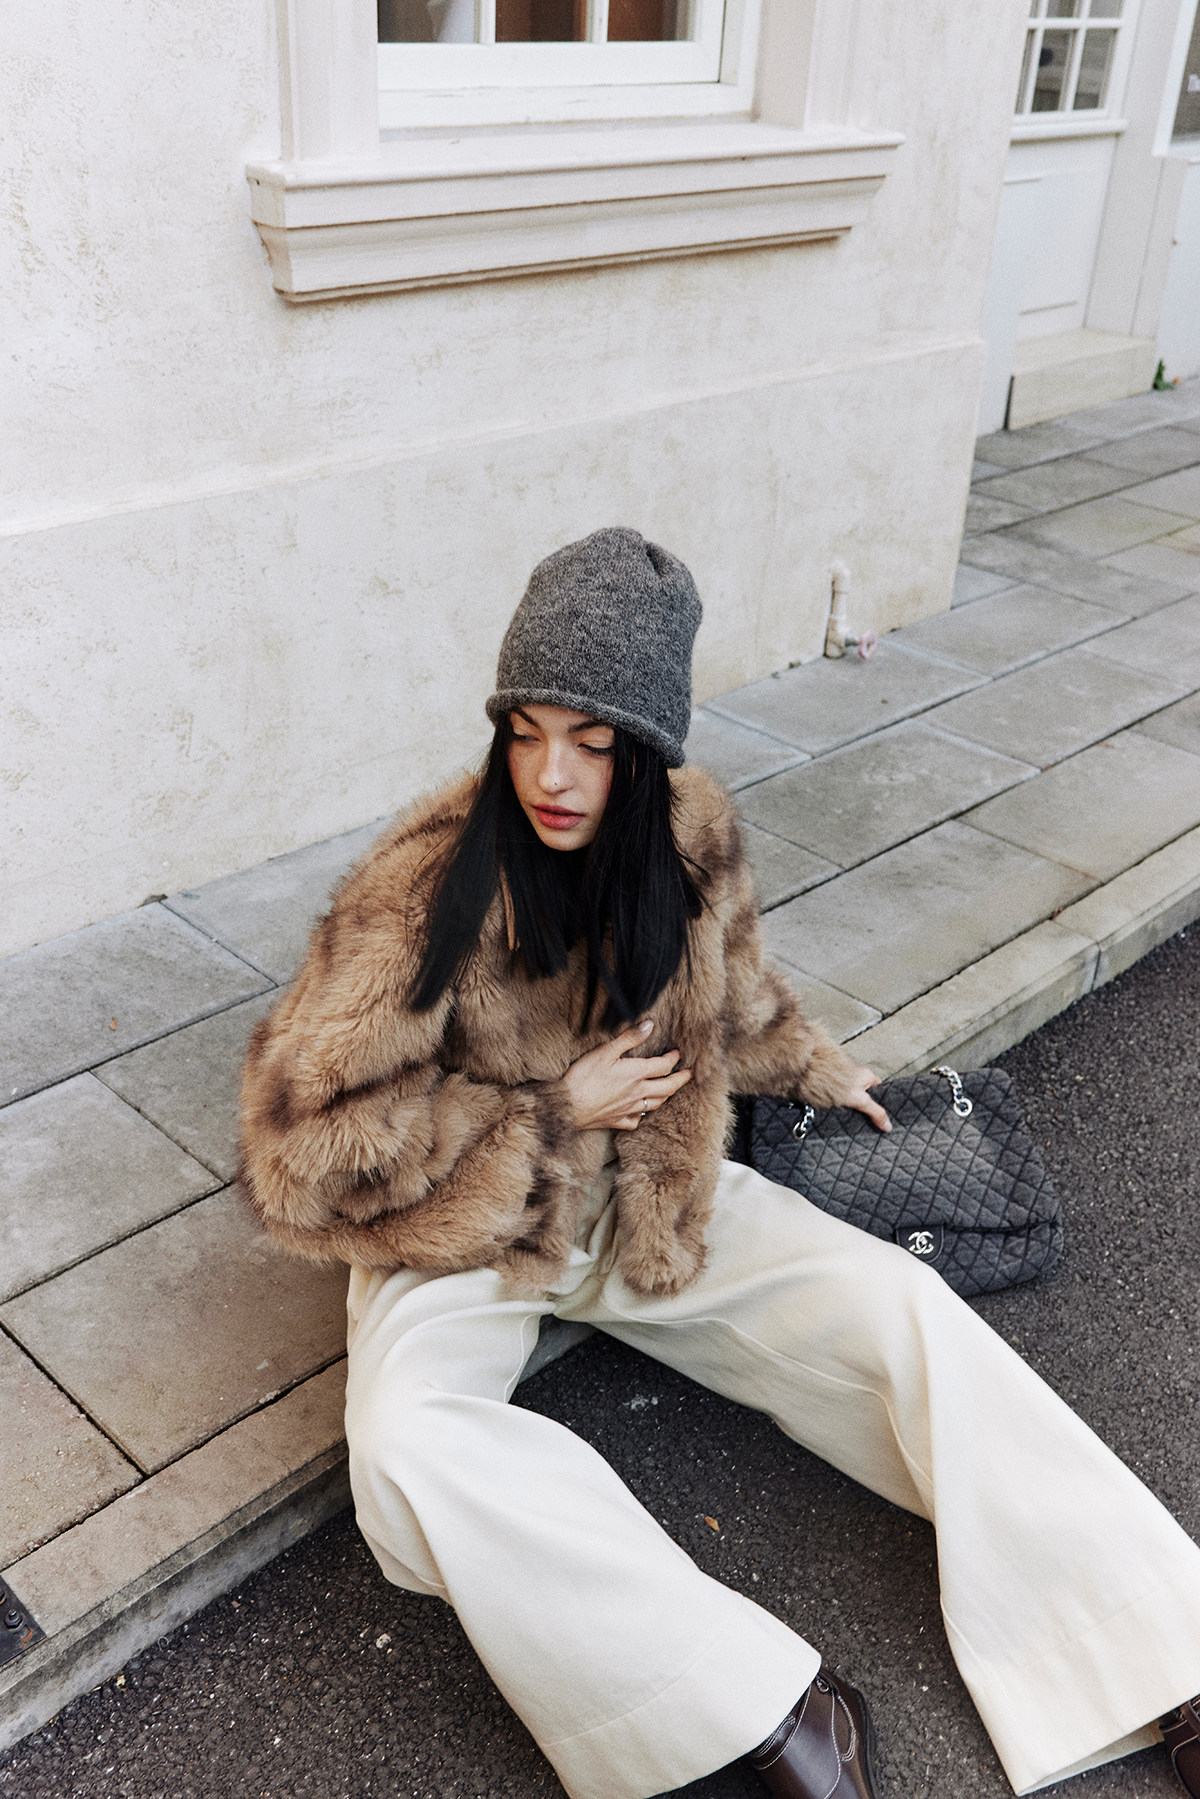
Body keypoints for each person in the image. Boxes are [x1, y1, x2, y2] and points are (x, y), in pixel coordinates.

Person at [239, 528, 1200, 1799]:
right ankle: (754, 1704)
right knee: (407, 1450)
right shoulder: (422, 891)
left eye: (592, 741)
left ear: (648, 751)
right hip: (481, 1222)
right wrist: (553, 1116)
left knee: (900, 1308)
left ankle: (1156, 1646)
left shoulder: (691, 841)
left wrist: (817, 1067)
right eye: (525, 731)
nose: (551, 772)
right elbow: (302, 1153)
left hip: (656, 1194)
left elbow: (735, 996)